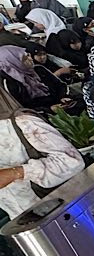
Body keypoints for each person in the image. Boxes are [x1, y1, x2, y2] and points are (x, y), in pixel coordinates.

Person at [0, 91, 84, 219]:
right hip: (21, 219)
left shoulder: (22, 122)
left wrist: (16, 173)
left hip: (64, 211)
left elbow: (71, 161)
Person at [0, 45, 78, 116]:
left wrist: (63, 97)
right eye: (24, 59)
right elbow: (21, 109)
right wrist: (49, 109)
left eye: (28, 55)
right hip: (41, 116)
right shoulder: (10, 85)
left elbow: (60, 85)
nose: (30, 59)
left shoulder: (38, 69)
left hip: (61, 106)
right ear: (13, 63)